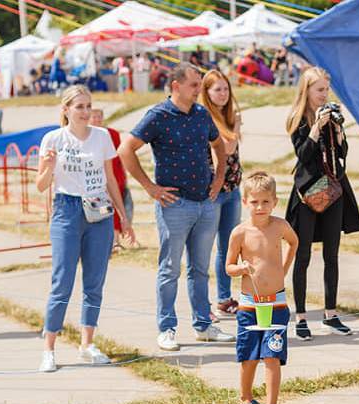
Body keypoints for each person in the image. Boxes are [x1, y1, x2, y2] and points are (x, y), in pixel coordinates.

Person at [119, 63, 235, 351]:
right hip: (174, 205)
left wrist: (219, 178)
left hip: (205, 203)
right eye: (195, 85)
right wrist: (149, 187)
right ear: (176, 86)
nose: (199, 90)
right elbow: (125, 149)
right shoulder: (158, 116)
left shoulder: (201, 114)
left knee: (200, 269)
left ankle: (203, 325)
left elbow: (219, 145)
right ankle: (167, 327)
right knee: (170, 268)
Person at [36, 87, 133, 372]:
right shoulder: (53, 139)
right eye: (79, 106)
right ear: (66, 109)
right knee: (62, 280)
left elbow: (110, 179)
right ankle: (49, 348)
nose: (85, 111)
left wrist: (122, 217)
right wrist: (50, 167)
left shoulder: (101, 137)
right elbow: (41, 186)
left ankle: (87, 343)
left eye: (88, 106)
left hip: (99, 211)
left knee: (95, 281)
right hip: (67, 209)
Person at [284, 67, 359, 340]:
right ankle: (301, 316)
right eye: (319, 90)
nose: (323, 95)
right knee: (302, 255)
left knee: (332, 254)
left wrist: (338, 129)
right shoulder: (298, 119)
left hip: (334, 191)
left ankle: (331, 313)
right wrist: (317, 127)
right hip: (308, 193)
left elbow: (342, 154)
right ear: (306, 92)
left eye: (326, 89)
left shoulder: (331, 117)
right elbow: (304, 155)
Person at [226, 172, 298, 404]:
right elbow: (228, 266)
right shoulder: (240, 233)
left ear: (274, 202)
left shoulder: (279, 226)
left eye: (265, 202)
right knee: (249, 356)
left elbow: (294, 242)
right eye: (255, 202)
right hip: (249, 305)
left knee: (272, 355)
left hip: (276, 303)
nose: (260, 207)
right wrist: (241, 268)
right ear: (245, 202)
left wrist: (284, 267)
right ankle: (245, 399)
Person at [201, 70, 244, 319]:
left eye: (226, 89)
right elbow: (227, 148)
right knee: (206, 246)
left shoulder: (226, 117)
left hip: (232, 189)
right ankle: (205, 301)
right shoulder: (207, 117)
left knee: (228, 246)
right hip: (214, 191)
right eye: (217, 89)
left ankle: (224, 298)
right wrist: (236, 126)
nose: (223, 94)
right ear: (206, 93)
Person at [89, 108, 137, 249]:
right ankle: (104, 241)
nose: (97, 119)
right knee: (101, 209)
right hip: (96, 178)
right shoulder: (87, 136)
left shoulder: (112, 134)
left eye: (99, 116)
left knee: (116, 208)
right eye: (94, 116)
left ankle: (115, 241)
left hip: (114, 175)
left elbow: (118, 157)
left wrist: (123, 176)